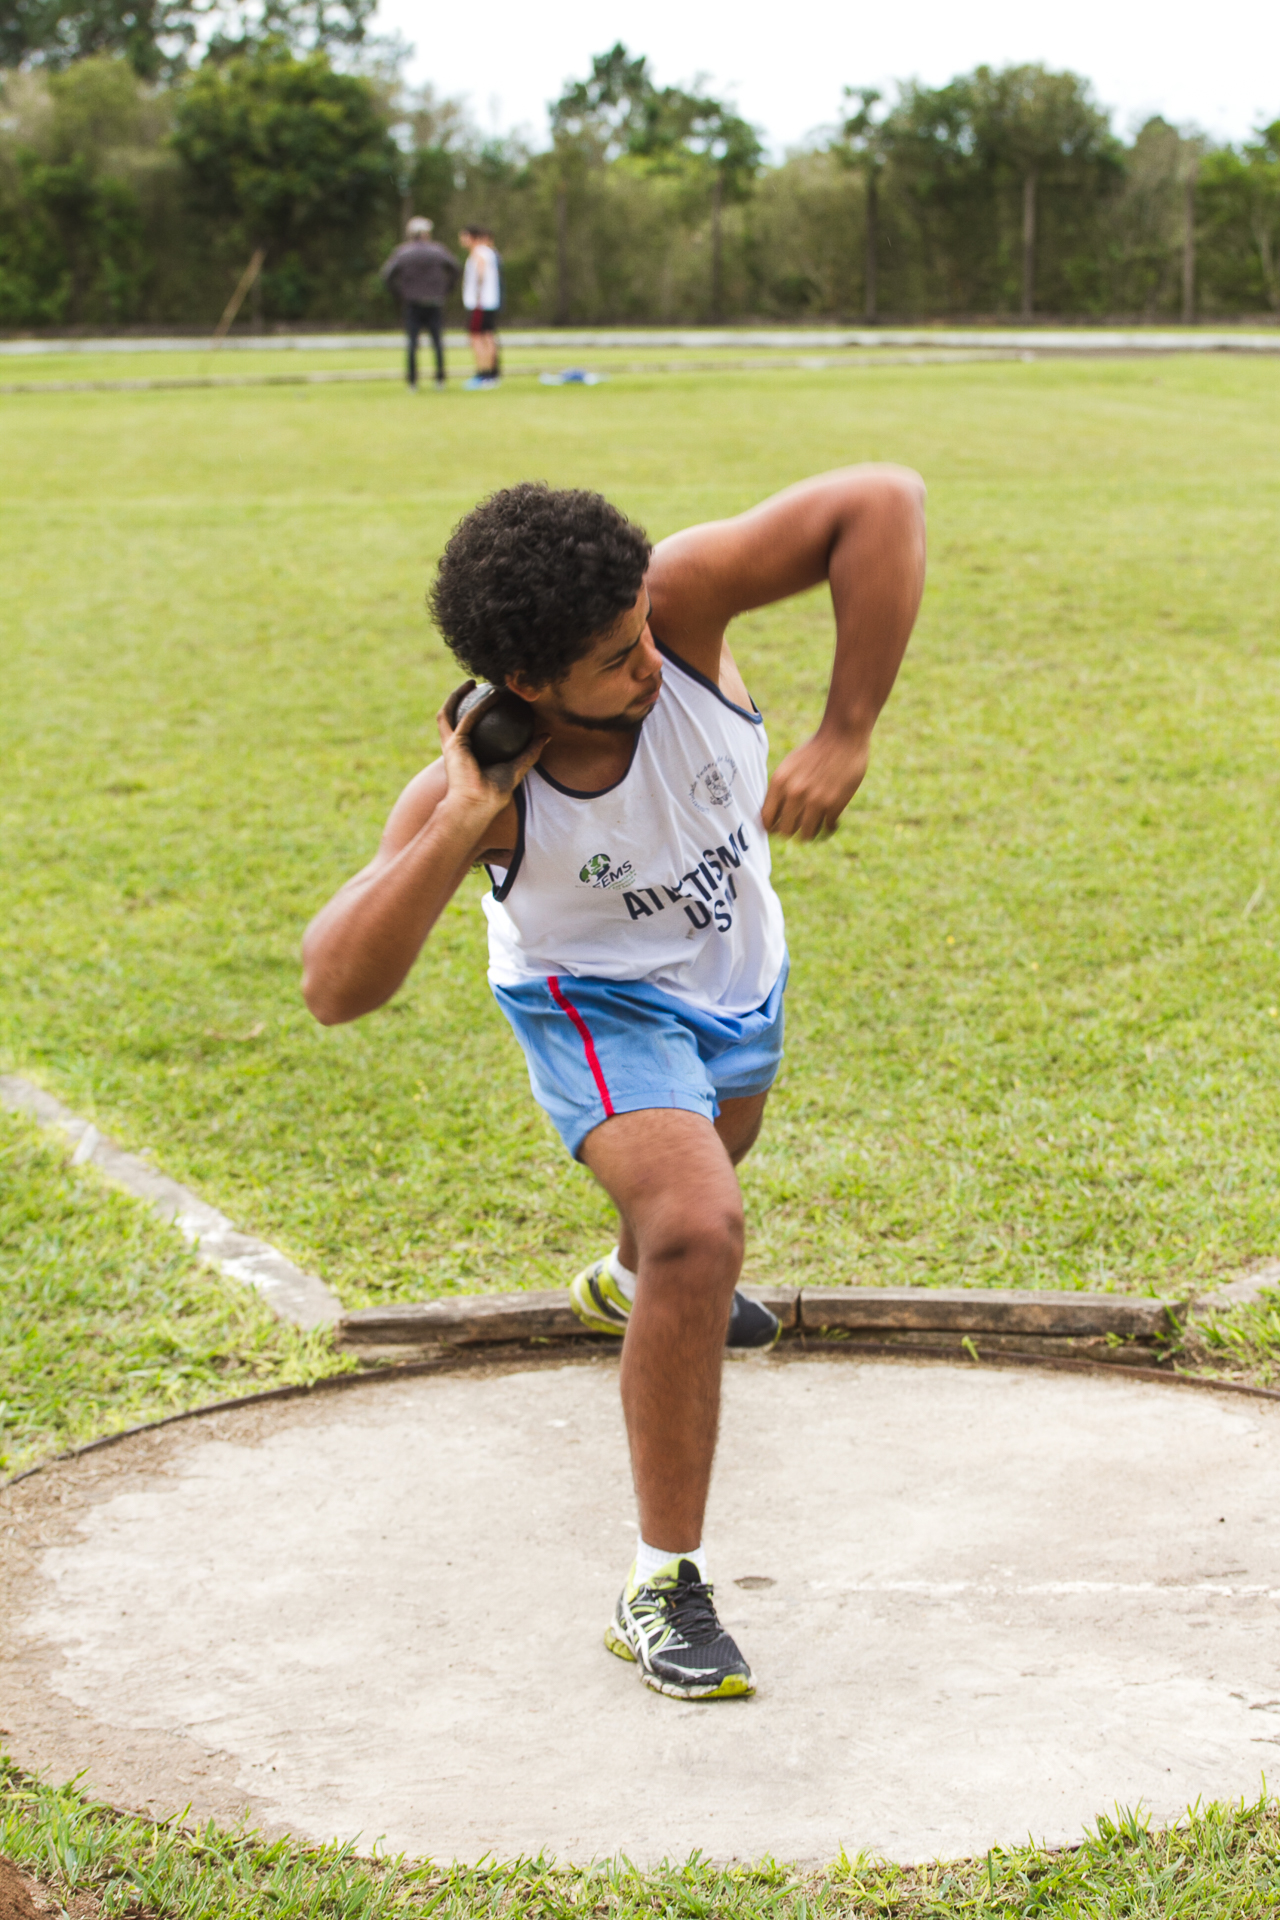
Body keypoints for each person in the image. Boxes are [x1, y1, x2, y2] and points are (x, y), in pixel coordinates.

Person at [301, 469, 926, 1699]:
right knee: (701, 1225)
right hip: (592, 999)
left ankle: (627, 1284)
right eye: (610, 659)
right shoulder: (479, 793)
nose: (646, 663)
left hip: (734, 972)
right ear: (527, 686)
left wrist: (845, 727)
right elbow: (333, 986)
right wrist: (458, 817)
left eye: (640, 633)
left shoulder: (675, 609)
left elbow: (882, 502)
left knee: (683, 1212)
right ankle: (662, 1585)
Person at [379, 216, 459, 390]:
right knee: (437, 343)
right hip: (434, 302)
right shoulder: (438, 250)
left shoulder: (402, 252)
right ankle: (440, 380)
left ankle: (413, 382)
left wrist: (400, 294)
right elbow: (455, 269)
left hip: (412, 302)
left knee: (412, 344)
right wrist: (445, 289)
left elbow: (386, 275)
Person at [459, 223, 501, 388]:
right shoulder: (489, 252)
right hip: (488, 302)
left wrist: (477, 294)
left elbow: (481, 271)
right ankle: (491, 374)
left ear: (471, 237)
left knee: (477, 338)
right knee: (488, 336)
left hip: (480, 303)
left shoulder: (479, 253)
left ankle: (483, 374)